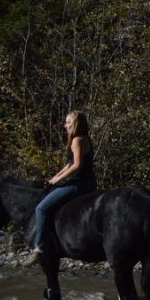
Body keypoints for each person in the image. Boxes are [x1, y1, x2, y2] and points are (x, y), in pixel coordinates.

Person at [26, 111, 98, 265]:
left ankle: (39, 247)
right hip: (89, 182)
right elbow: (69, 164)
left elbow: (77, 165)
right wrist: (54, 177)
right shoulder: (84, 139)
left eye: (68, 122)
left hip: (80, 183)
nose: (65, 125)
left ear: (75, 123)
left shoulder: (77, 140)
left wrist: (58, 179)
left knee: (41, 209)